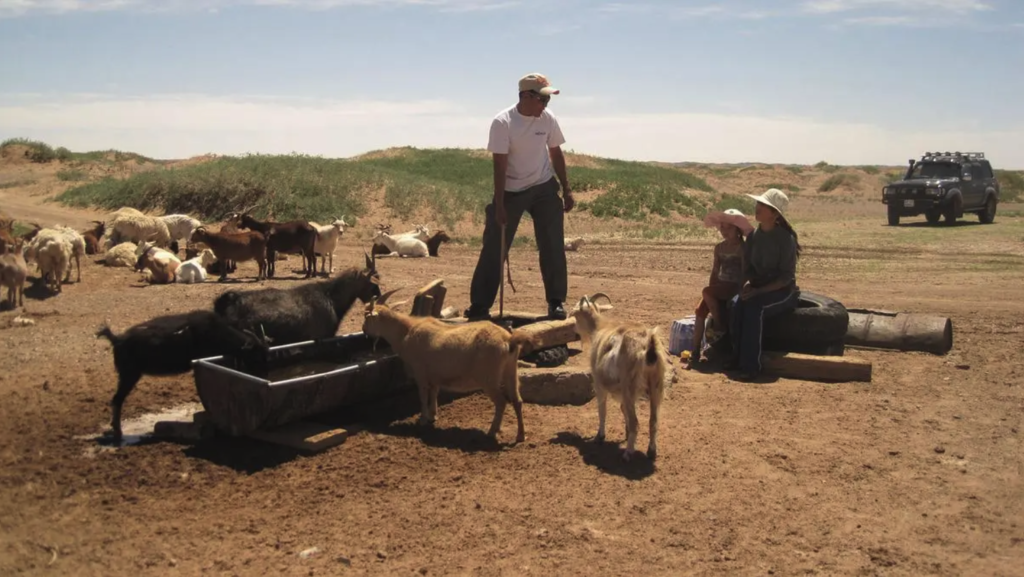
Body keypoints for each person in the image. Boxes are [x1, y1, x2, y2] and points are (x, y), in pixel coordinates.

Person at [464, 73, 574, 320]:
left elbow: (555, 153)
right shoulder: (503, 122)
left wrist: (566, 188)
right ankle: (480, 305)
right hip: (512, 190)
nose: (546, 105)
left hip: (544, 186)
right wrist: (500, 204)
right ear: (526, 96)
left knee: (553, 245)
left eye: (548, 101)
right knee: (495, 246)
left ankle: (556, 302)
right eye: (542, 100)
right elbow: (499, 165)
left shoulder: (547, 119)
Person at [726, 188, 801, 381]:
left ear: (775, 214)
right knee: (735, 304)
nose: (757, 208)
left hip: (782, 292)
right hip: (759, 288)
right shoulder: (753, 237)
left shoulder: (786, 239)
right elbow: (749, 269)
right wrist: (745, 286)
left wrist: (758, 291)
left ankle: (751, 366)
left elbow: (786, 278)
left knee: (754, 308)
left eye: (763, 206)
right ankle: (735, 357)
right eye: (758, 204)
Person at [687, 208, 752, 367]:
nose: (724, 231)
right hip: (719, 287)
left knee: (707, 292)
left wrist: (739, 290)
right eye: (722, 227)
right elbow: (715, 271)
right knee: (700, 310)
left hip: (734, 288)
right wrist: (711, 291)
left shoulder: (743, 249)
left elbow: (745, 273)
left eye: (728, 228)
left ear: (737, 229)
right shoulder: (719, 248)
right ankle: (695, 352)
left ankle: (719, 325)